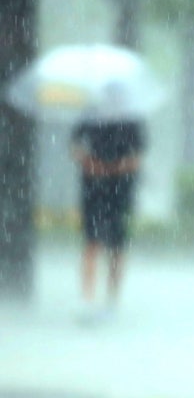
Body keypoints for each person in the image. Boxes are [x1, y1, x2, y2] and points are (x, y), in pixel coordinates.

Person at [70, 119, 145, 318]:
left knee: (117, 247)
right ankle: (87, 299)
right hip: (92, 190)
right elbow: (75, 147)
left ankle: (111, 300)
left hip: (121, 191)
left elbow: (137, 157)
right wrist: (91, 164)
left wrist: (113, 168)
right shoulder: (90, 116)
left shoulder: (131, 121)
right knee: (91, 242)